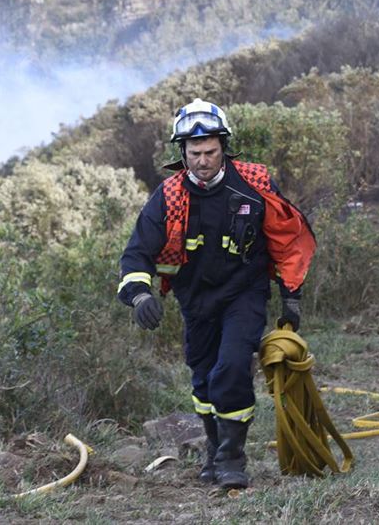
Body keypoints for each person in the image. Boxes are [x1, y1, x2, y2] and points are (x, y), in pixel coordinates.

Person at [116, 99, 316, 490]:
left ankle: (232, 460)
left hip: (244, 294)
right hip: (196, 301)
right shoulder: (169, 197)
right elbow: (137, 252)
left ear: (223, 147)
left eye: (210, 151)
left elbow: (287, 240)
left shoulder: (254, 185)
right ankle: (213, 451)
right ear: (183, 153)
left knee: (232, 368)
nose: (203, 160)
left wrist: (291, 296)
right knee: (204, 378)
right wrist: (139, 295)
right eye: (195, 153)